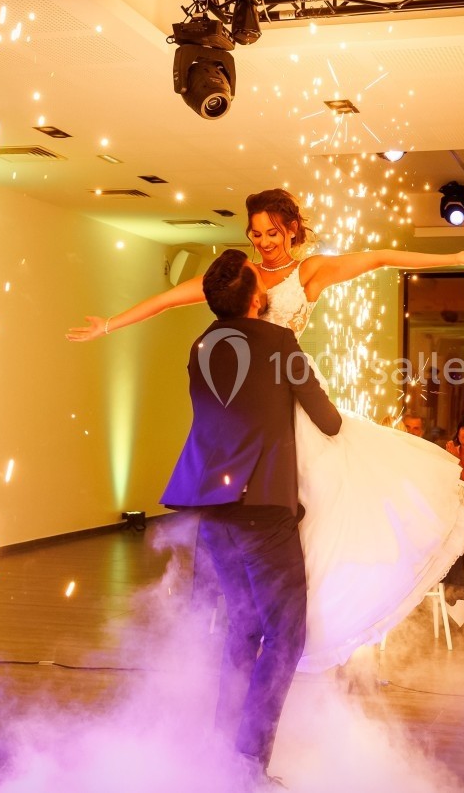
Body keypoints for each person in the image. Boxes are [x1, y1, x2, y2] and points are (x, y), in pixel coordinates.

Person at [69, 188, 464, 670]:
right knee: (261, 514)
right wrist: (109, 325)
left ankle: (307, 612)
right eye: (255, 233)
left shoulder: (310, 271)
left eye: (271, 232)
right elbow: (170, 299)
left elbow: (380, 257)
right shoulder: (240, 277)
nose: (263, 242)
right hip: (253, 406)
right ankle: (244, 629)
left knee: (324, 500)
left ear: (292, 228)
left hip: (290, 388)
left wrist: (456, 256)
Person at [158, 250, 342, 782]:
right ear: (256, 296)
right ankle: (248, 762)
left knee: (242, 626)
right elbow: (327, 421)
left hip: (211, 508)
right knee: (285, 636)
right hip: (261, 505)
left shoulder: (200, 347)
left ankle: (224, 751)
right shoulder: (281, 343)